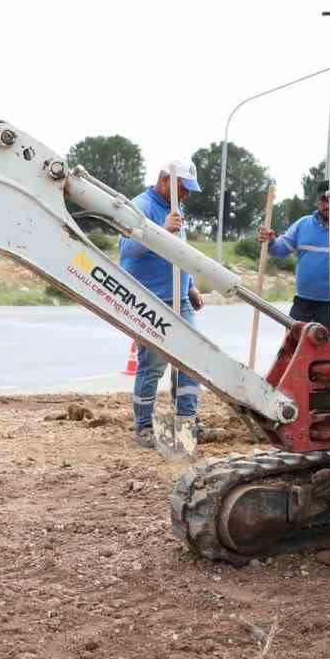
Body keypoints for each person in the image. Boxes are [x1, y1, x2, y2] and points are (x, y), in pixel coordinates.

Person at [120, 159, 204, 446]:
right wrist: (161, 230)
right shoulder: (140, 207)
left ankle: (186, 424)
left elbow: (181, 251)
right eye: (183, 188)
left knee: (192, 361)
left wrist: (190, 285)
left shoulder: (176, 210)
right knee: (152, 365)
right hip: (151, 300)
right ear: (165, 181)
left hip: (180, 298)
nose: (187, 195)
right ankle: (144, 427)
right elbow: (128, 249)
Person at [257, 187, 330, 330]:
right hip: (302, 304)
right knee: (293, 345)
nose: (327, 205)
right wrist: (271, 241)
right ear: (317, 202)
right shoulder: (303, 224)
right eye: (323, 200)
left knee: (326, 350)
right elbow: (280, 249)